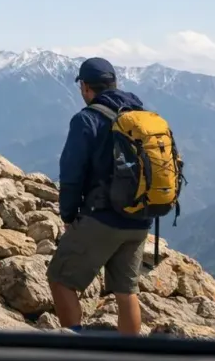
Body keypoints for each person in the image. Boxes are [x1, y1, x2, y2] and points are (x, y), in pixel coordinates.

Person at [47, 57, 150, 335]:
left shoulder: (86, 119)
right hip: (140, 218)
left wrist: (68, 215)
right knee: (126, 291)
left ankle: (77, 351)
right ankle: (128, 357)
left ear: (85, 87)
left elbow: (71, 175)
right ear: (114, 83)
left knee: (59, 279)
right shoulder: (141, 114)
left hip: (103, 218)